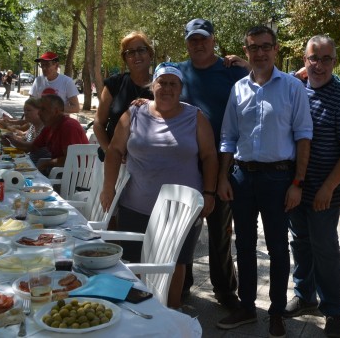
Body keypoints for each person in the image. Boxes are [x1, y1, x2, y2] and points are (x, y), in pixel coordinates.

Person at [216, 25, 313, 338]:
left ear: (276, 49)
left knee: (277, 247)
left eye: (265, 46)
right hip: (242, 177)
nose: (259, 52)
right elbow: (228, 137)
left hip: (278, 178)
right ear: (246, 51)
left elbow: (303, 137)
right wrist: (223, 177)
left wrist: (297, 182)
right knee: (243, 244)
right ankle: (246, 307)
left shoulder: (292, 87)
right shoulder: (239, 89)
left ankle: (276, 312)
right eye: (253, 47)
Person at [99, 63, 217, 309]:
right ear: (152, 86)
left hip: (181, 209)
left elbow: (209, 156)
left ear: (181, 89)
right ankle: (141, 314)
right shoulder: (134, 113)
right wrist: (108, 188)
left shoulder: (194, 116)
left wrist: (209, 193)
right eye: (162, 82)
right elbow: (114, 151)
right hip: (136, 204)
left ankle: (170, 316)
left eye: (173, 84)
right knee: (135, 262)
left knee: (175, 264)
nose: (167, 88)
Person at [284, 35, 340, 338]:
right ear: (304, 59)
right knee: (299, 242)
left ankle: (332, 309)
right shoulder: (294, 89)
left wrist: (328, 188)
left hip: (324, 190)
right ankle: (305, 296)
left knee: (325, 248)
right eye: (313, 58)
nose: (318, 65)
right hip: (295, 186)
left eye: (326, 59)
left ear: (334, 60)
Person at [174, 18, 248, 308]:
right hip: (185, 164)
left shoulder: (232, 70)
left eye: (203, 38)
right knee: (182, 231)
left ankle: (226, 291)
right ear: (187, 43)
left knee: (219, 232)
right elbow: (158, 94)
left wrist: (249, 65)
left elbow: (265, 80)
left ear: (214, 40)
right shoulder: (178, 72)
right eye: (193, 39)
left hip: (223, 163)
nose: (199, 44)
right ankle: (181, 286)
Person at [93, 32, 154, 161]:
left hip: (147, 164)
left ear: (150, 54)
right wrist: (110, 151)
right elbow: (98, 123)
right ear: (125, 58)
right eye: (130, 52)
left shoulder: (161, 86)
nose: (136, 55)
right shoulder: (114, 84)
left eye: (141, 50)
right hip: (112, 163)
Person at [2, 94, 88, 174]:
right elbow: (32, 147)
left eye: (43, 109)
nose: (39, 113)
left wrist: (47, 163)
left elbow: (71, 159)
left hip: (74, 174)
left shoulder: (69, 126)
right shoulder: (50, 125)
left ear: (56, 111)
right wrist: (12, 140)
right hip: (59, 170)